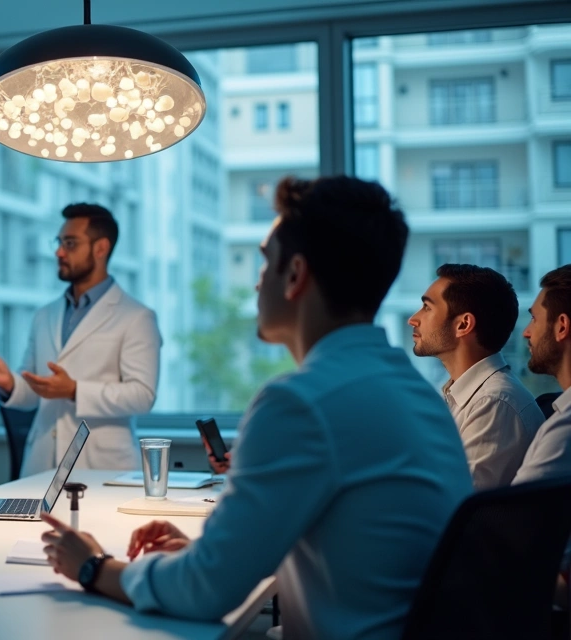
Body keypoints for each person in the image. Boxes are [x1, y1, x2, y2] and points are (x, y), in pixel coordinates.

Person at [40, 176, 473, 639]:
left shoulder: (302, 402)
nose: (256, 280)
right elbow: (359, 557)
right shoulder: (415, 394)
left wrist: (93, 566)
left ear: (295, 275)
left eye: (265, 262)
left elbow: (205, 593)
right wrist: (216, 555)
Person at [0, 203, 162, 475]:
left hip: (102, 466)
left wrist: (74, 390)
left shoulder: (136, 317)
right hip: (41, 465)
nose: (59, 252)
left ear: (100, 248)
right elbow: (37, 393)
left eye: (70, 243)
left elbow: (142, 395)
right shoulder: (44, 315)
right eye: (59, 242)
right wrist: (10, 383)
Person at [408, 264, 543, 489]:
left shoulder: (493, 403)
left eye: (426, 307)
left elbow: (459, 503)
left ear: (463, 324)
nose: (413, 319)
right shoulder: (463, 395)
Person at [513, 265, 571, 485]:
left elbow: (513, 512)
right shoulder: (559, 413)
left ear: (562, 327)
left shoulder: (565, 430)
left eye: (534, 319)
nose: (526, 332)